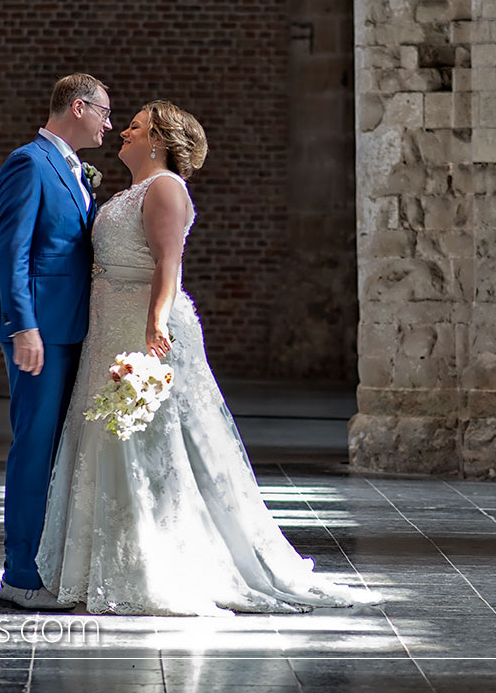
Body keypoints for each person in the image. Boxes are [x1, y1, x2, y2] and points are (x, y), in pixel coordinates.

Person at [36, 101, 382, 615]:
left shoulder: (165, 189)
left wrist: (154, 322)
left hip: (142, 326)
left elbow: (167, 262)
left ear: (157, 141)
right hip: (108, 328)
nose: (123, 132)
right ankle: (108, 562)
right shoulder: (129, 192)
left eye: (134, 127)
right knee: (111, 438)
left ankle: (163, 560)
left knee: (153, 439)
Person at [0, 73, 112, 610]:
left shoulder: (71, 168)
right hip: (41, 332)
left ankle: (48, 563)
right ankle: (19, 575)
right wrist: (24, 326)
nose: (109, 122)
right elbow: (10, 252)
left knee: (61, 450)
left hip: (74, 328)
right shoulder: (28, 162)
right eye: (105, 111)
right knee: (35, 449)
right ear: (78, 107)